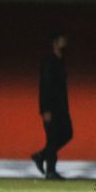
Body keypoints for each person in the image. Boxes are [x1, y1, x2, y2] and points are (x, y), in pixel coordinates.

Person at [31, 33, 73, 180]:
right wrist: (46, 109)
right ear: (55, 42)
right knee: (52, 138)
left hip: (62, 106)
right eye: (62, 39)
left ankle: (40, 155)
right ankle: (51, 171)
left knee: (67, 133)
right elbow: (45, 86)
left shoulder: (61, 61)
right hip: (51, 107)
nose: (65, 42)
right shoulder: (49, 61)